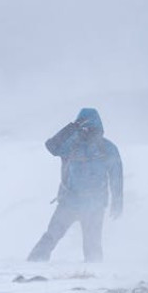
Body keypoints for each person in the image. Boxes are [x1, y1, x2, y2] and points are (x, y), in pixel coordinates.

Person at [28, 108, 123, 262]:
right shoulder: (70, 144)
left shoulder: (107, 149)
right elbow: (51, 146)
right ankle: (31, 267)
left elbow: (116, 175)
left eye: (90, 128)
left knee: (93, 245)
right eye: (83, 127)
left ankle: (94, 276)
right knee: (51, 236)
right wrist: (71, 127)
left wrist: (118, 200)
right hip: (68, 201)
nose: (86, 132)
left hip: (95, 206)